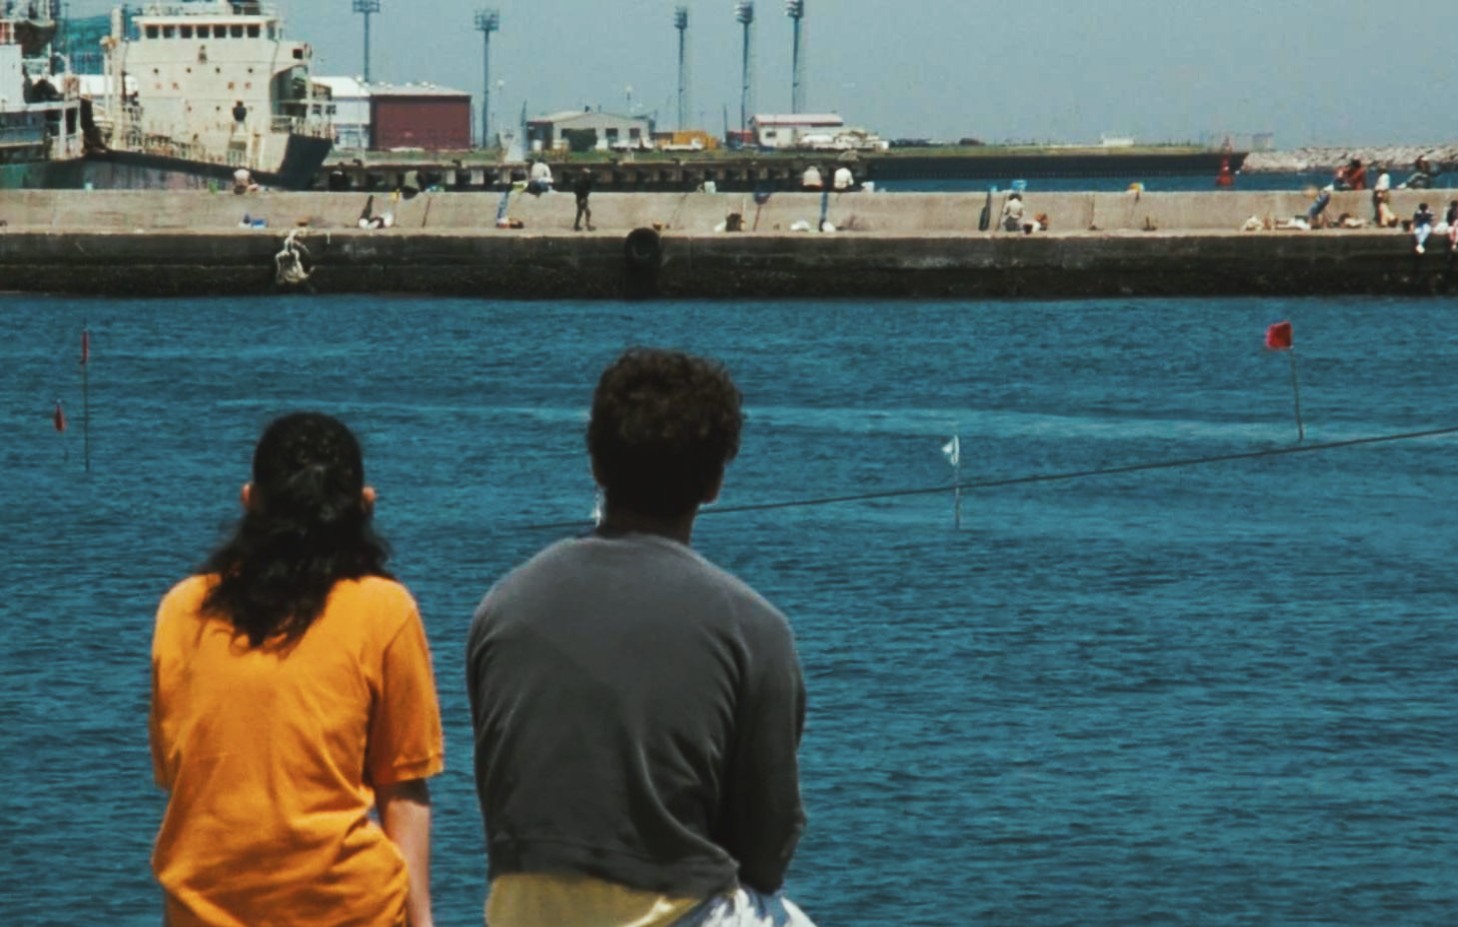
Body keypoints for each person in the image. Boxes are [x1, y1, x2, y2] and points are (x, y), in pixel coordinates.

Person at [467, 348, 814, 927]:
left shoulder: (503, 608)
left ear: (598, 466)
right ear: (715, 481)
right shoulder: (755, 629)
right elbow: (768, 843)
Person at [150, 412, 444, 927]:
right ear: (364, 506)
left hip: (203, 912)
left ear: (250, 501)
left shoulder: (183, 610)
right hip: (349, 911)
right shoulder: (386, 611)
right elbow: (403, 790)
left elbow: (180, 772)